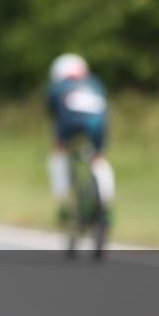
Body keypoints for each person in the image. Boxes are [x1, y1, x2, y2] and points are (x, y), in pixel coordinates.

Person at [45, 53, 115, 225]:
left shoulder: (57, 87)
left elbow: (52, 113)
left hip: (69, 123)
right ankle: (106, 205)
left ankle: (62, 203)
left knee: (58, 152)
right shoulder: (95, 83)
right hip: (98, 124)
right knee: (98, 158)